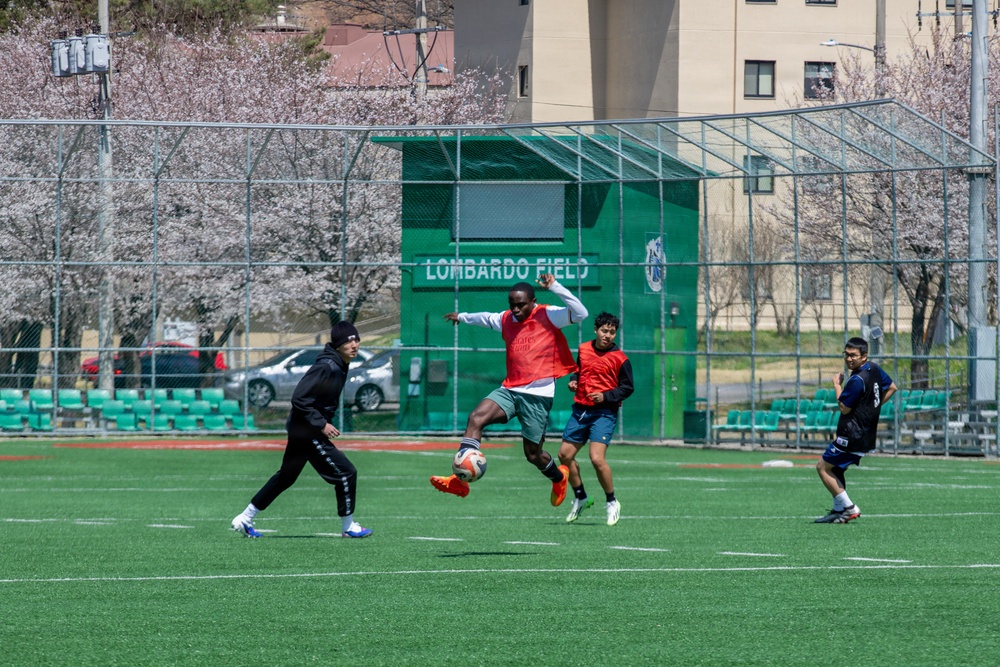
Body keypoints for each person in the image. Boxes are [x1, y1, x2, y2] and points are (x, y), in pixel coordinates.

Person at [430, 273, 588, 504]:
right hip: (510, 390)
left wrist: (555, 286)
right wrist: (462, 316)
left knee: (533, 455)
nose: (515, 310)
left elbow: (581, 313)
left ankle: (558, 477)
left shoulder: (548, 315)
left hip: (537, 396)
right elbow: (485, 318)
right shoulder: (506, 319)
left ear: (533, 302)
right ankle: (459, 481)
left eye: (520, 305)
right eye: (512, 305)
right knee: (476, 418)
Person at [230, 321, 373, 538]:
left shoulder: (339, 364)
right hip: (307, 430)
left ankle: (245, 518)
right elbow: (299, 399)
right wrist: (321, 423)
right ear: (337, 344)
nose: (354, 344)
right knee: (346, 472)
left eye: (356, 339)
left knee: (286, 477)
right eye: (348, 340)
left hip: (302, 428)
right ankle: (348, 527)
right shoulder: (327, 366)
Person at [558, 312, 634, 526]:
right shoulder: (583, 349)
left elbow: (627, 388)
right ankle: (581, 496)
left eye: (612, 332)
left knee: (597, 459)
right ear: (595, 330)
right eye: (604, 331)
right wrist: (574, 381)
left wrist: (606, 396)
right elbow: (579, 371)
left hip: (604, 412)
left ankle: (611, 501)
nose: (608, 335)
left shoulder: (620, 359)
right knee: (564, 455)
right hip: (581, 410)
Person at [814, 336, 896, 524]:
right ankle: (838, 510)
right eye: (846, 354)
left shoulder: (857, 379)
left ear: (864, 356)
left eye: (853, 356)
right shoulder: (874, 369)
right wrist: (872, 408)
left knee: (822, 467)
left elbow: (844, 407)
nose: (849, 359)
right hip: (865, 435)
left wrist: (836, 385)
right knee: (836, 468)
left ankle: (850, 508)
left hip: (852, 435)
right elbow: (892, 387)